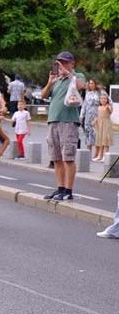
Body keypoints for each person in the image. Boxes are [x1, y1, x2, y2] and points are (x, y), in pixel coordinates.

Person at [42, 51, 87, 201]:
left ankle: (68, 190)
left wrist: (68, 73)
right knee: (56, 157)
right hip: (53, 120)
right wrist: (50, 82)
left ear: (72, 63)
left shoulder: (76, 76)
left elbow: (82, 86)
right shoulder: (57, 80)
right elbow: (43, 95)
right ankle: (60, 188)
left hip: (68, 121)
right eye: (60, 62)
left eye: (65, 62)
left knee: (68, 157)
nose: (62, 65)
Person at [82, 78, 102, 156]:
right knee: (88, 134)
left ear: (95, 84)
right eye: (90, 83)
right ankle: (88, 152)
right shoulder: (87, 93)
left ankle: (97, 154)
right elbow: (84, 105)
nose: (91, 85)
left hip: (96, 116)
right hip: (88, 116)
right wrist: (81, 116)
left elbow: (107, 101)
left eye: (92, 83)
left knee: (96, 134)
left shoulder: (99, 93)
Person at [94, 93, 113, 162]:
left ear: (107, 100)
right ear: (99, 100)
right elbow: (98, 116)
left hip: (106, 124)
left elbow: (110, 111)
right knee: (100, 140)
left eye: (104, 99)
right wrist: (94, 121)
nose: (103, 100)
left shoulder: (108, 106)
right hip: (100, 124)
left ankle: (106, 155)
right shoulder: (99, 107)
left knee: (105, 140)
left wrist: (108, 107)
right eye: (101, 99)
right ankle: (99, 155)